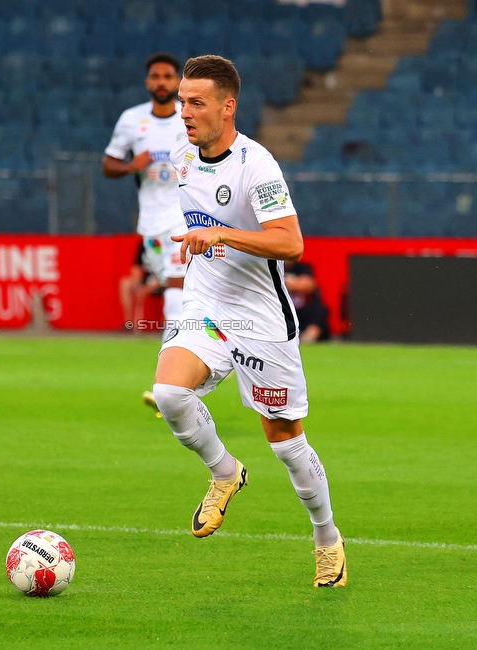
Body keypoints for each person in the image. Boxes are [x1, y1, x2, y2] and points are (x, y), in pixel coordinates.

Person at [152, 55, 346, 587]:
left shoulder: (256, 166)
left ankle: (327, 538)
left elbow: (292, 243)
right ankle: (224, 471)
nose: (184, 112)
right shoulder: (180, 153)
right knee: (169, 394)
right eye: (181, 101)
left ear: (227, 106)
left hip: (261, 316)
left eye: (196, 102)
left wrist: (221, 234)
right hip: (207, 307)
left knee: (285, 441)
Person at [103, 52, 189, 416]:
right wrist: (129, 166)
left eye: (168, 76)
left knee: (176, 288)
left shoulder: (190, 116)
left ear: (177, 82)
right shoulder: (131, 120)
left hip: (186, 219)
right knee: (180, 294)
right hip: (151, 225)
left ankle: (170, 383)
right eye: (156, 76)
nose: (162, 82)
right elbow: (108, 165)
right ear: (148, 82)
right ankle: (193, 373)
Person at [284, 260, 331, 343]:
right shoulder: (272, 268)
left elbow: (308, 285)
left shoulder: (303, 268)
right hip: (283, 310)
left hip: (302, 310)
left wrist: (289, 283)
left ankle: (308, 337)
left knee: (319, 310)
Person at [118, 242, 162, 329]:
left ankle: (167, 325)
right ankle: (129, 324)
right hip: (147, 280)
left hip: (164, 280)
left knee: (172, 289)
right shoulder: (145, 244)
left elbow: (169, 275)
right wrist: (138, 285)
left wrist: (146, 289)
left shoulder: (164, 243)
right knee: (125, 283)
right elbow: (137, 269)